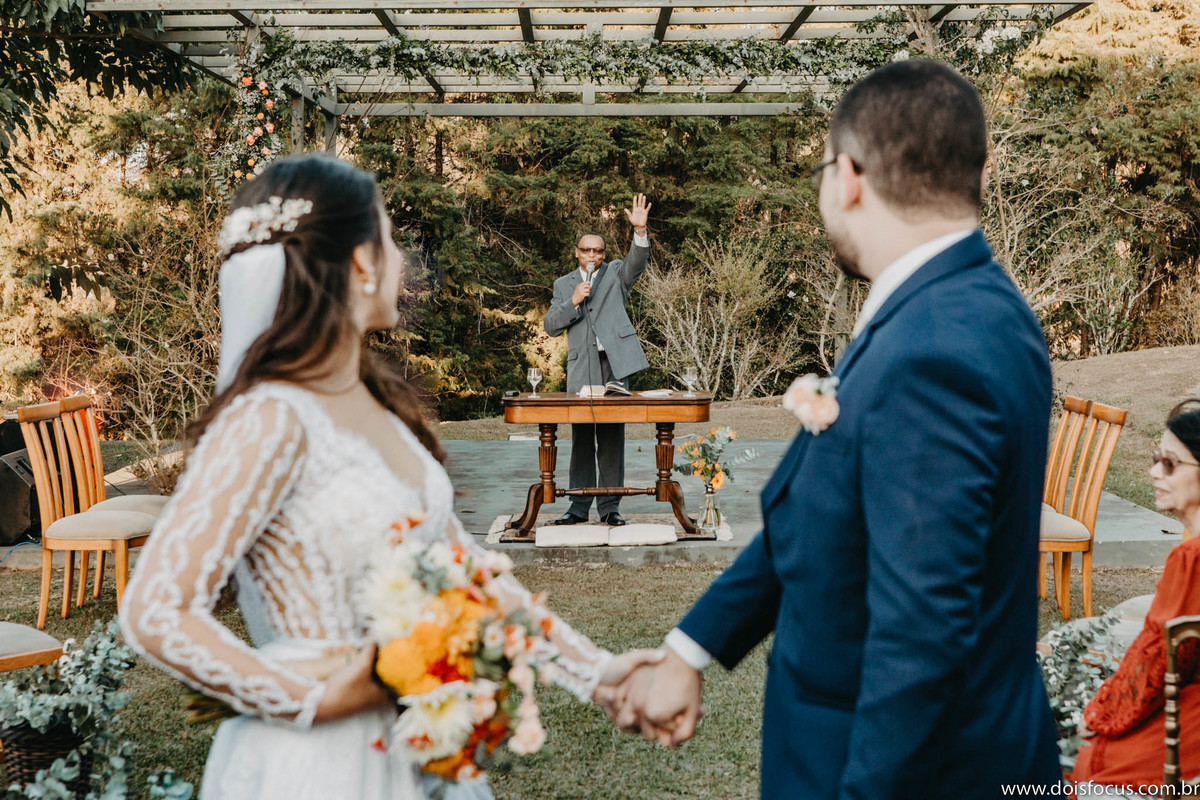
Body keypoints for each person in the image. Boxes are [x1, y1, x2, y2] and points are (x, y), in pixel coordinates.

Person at [118, 155, 659, 800]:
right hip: (313, 768)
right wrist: (309, 700)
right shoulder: (272, 417)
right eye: (390, 237)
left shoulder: (381, 409)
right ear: (361, 262)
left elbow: (470, 577)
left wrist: (599, 672)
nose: (401, 257)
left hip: (414, 754)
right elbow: (156, 609)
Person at [605, 59, 1064, 798]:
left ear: (847, 176)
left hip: (898, 769)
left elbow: (921, 636)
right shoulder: (955, 306)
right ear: (975, 177)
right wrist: (688, 650)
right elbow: (822, 516)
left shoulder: (933, 347)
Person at [1073, 399, 1200, 791]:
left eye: (1170, 464)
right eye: (1155, 458)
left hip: (1183, 730)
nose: (1153, 472)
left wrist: (1098, 712)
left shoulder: (1192, 560)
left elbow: (1155, 669)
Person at [543, 196, 652, 527]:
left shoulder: (616, 273)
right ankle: (577, 508)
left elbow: (637, 262)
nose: (592, 255)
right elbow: (551, 325)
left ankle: (610, 507)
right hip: (581, 368)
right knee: (580, 440)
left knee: (611, 440)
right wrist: (573, 301)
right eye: (586, 250)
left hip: (614, 367)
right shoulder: (564, 284)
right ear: (577, 253)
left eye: (598, 251)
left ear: (604, 255)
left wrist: (640, 230)